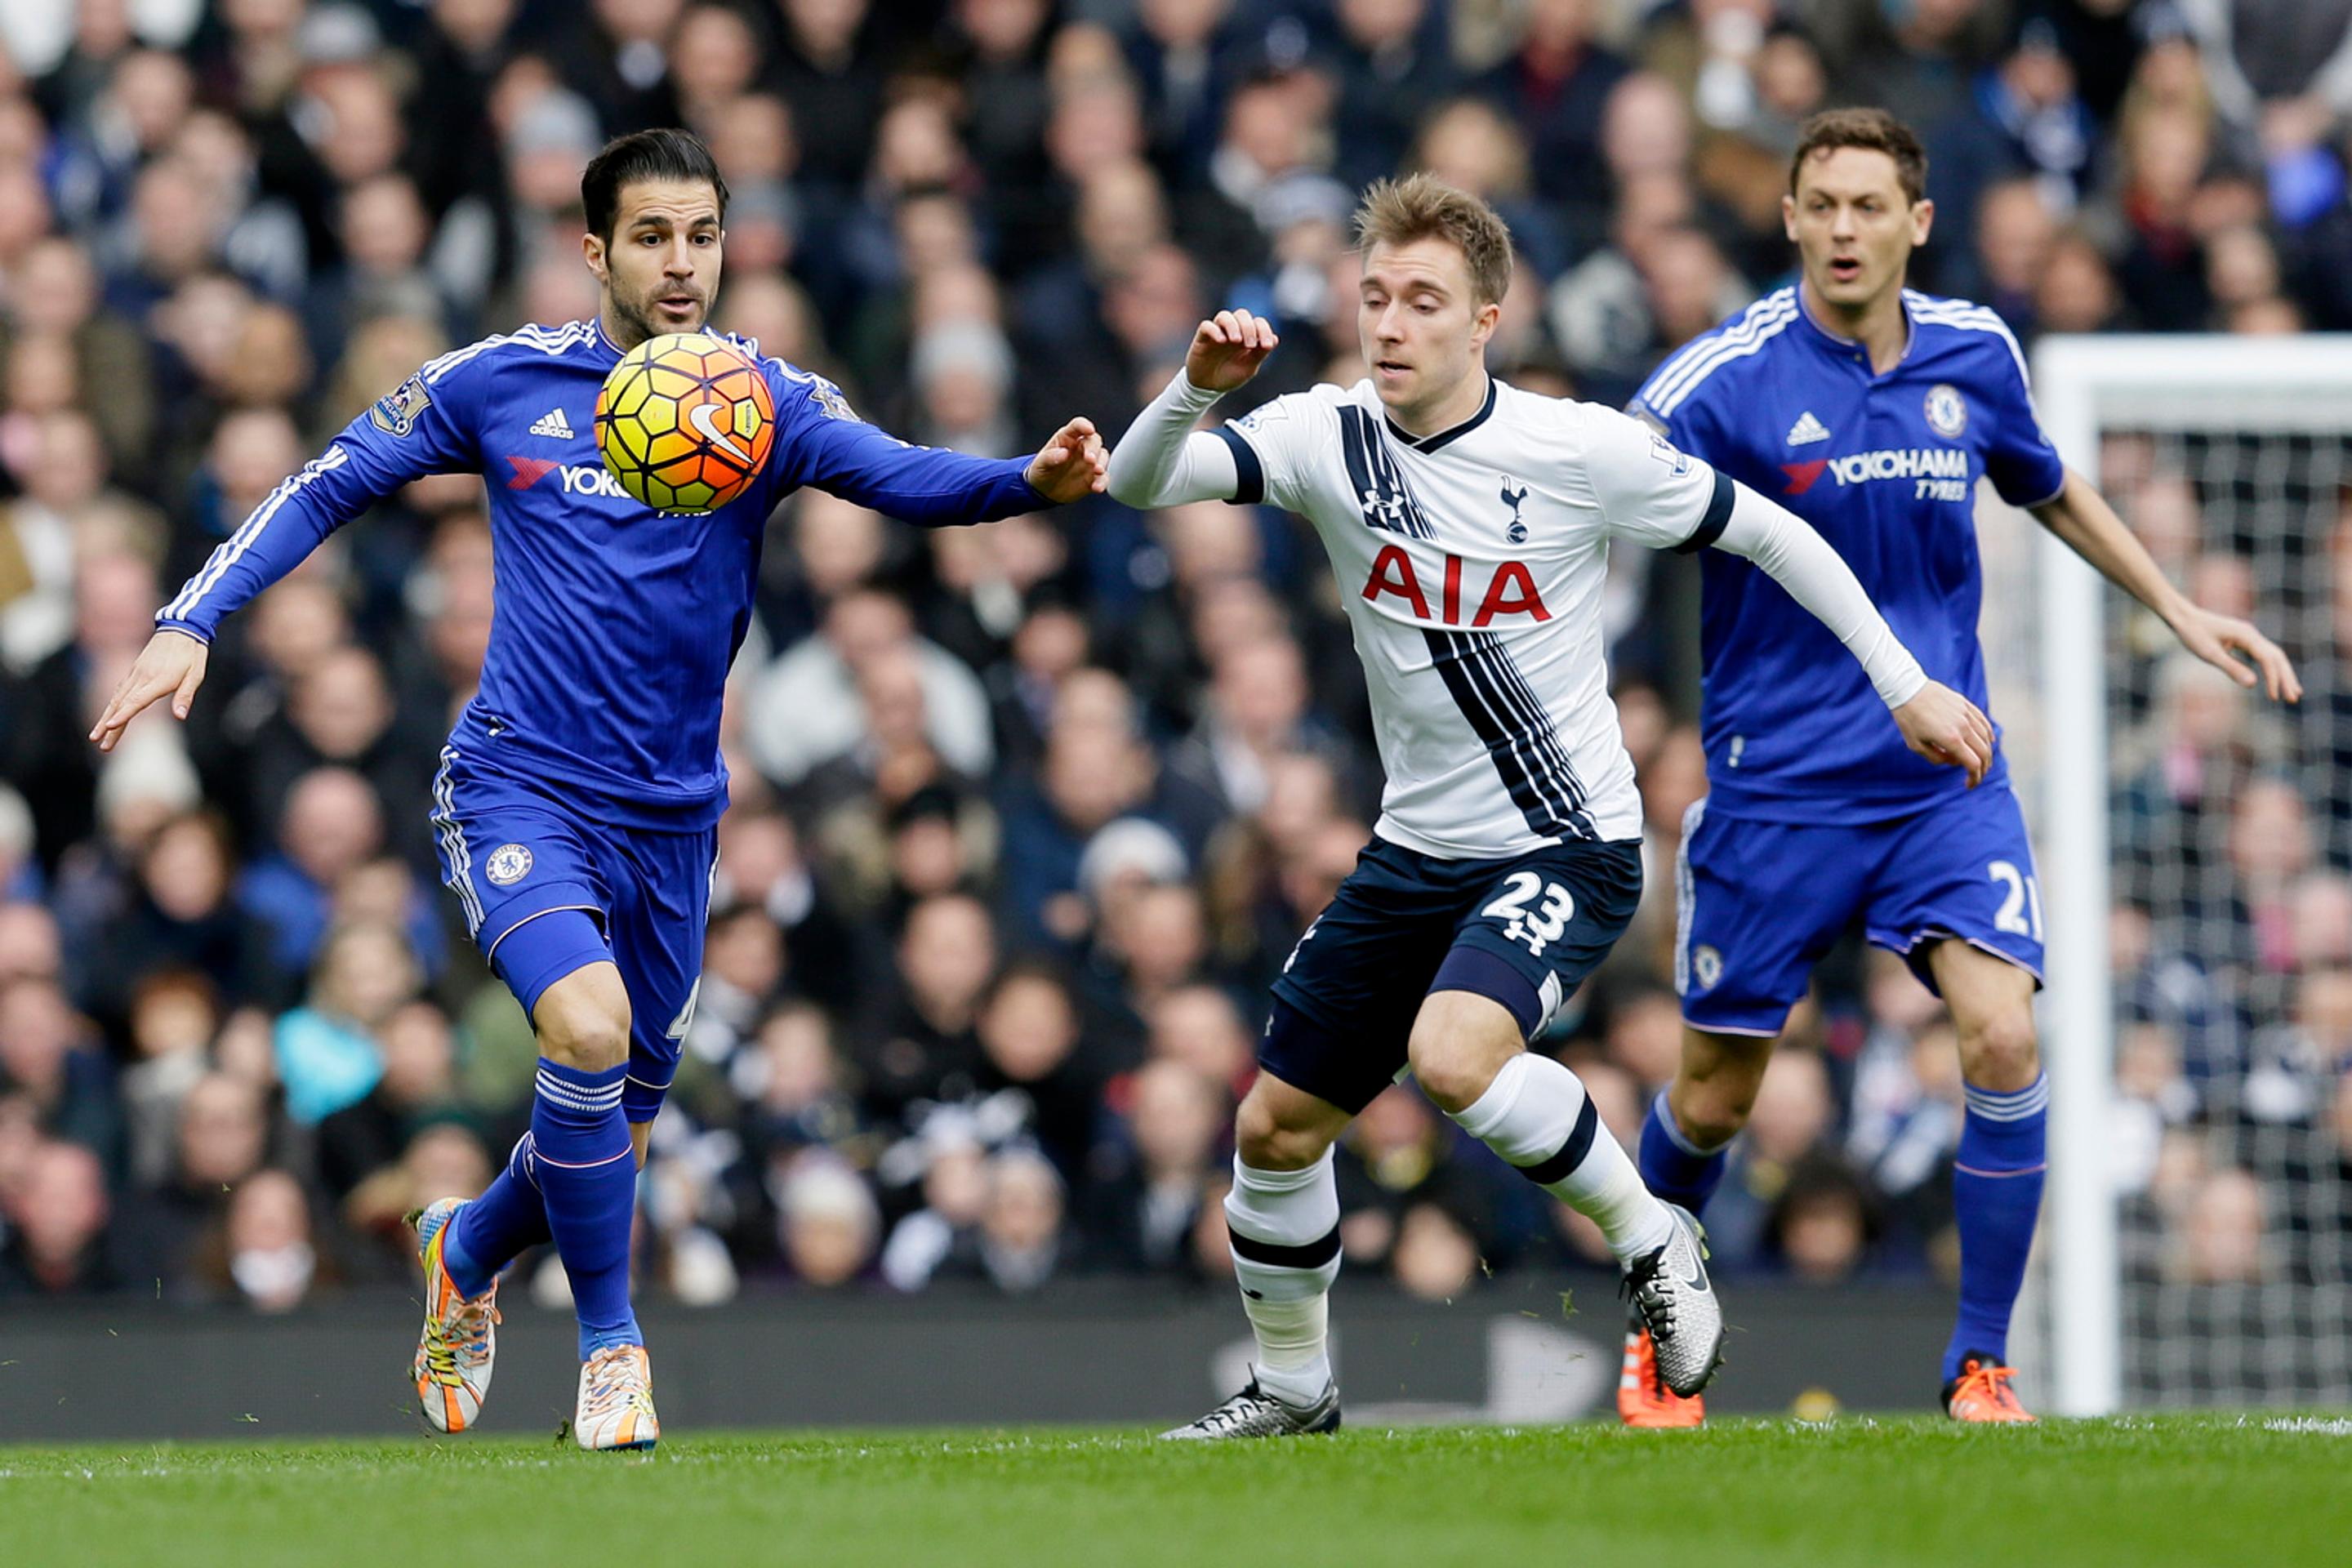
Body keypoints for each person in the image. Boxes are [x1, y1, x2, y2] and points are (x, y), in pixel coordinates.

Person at [88, 128, 1107, 1451]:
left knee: (609, 1122)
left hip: (675, 821)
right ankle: (614, 1349)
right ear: (596, 249)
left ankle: (467, 1247)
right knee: (584, 1028)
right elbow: (327, 477)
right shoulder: (503, 383)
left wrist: (1025, 482)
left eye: (703, 236)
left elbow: (903, 476)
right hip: (517, 783)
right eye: (651, 237)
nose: (682, 265)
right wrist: (195, 617)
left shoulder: (764, 403)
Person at [1107, 172, 1991, 1440]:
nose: (1392, 325)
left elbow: (1775, 536)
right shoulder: (1322, 435)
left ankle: (1654, 1242)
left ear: (1486, 320)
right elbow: (1143, 484)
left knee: (1454, 1054)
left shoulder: (1578, 450)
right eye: (1375, 300)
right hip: (1416, 852)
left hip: (1567, 841)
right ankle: (1296, 1392)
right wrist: (1194, 382)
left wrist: (1904, 684)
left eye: (1425, 301)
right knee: (1276, 1128)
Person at [1623, 108, 2301, 1427]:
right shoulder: (1729, 375)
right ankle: (1661, 1328)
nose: (1841, 229)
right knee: (1713, 1096)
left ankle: (1980, 1364)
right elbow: (1612, 470)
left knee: (2003, 1032)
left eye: (1868, 205)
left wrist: (2174, 607)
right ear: (1789, 219)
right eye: (1819, 203)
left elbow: (2049, 484)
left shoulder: (1972, 353)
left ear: (1916, 224)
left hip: (1945, 781)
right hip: (1778, 794)